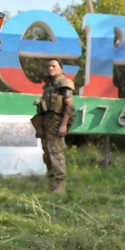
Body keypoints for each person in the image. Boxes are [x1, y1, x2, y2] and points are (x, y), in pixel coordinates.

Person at [34, 58, 76, 193]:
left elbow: (70, 106)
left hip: (57, 123)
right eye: (49, 66)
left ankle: (60, 186)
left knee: (56, 154)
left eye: (53, 66)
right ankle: (52, 185)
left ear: (61, 68)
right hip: (46, 122)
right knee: (47, 155)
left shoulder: (64, 84)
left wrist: (64, 125)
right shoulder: (48, 85)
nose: (50, 68)